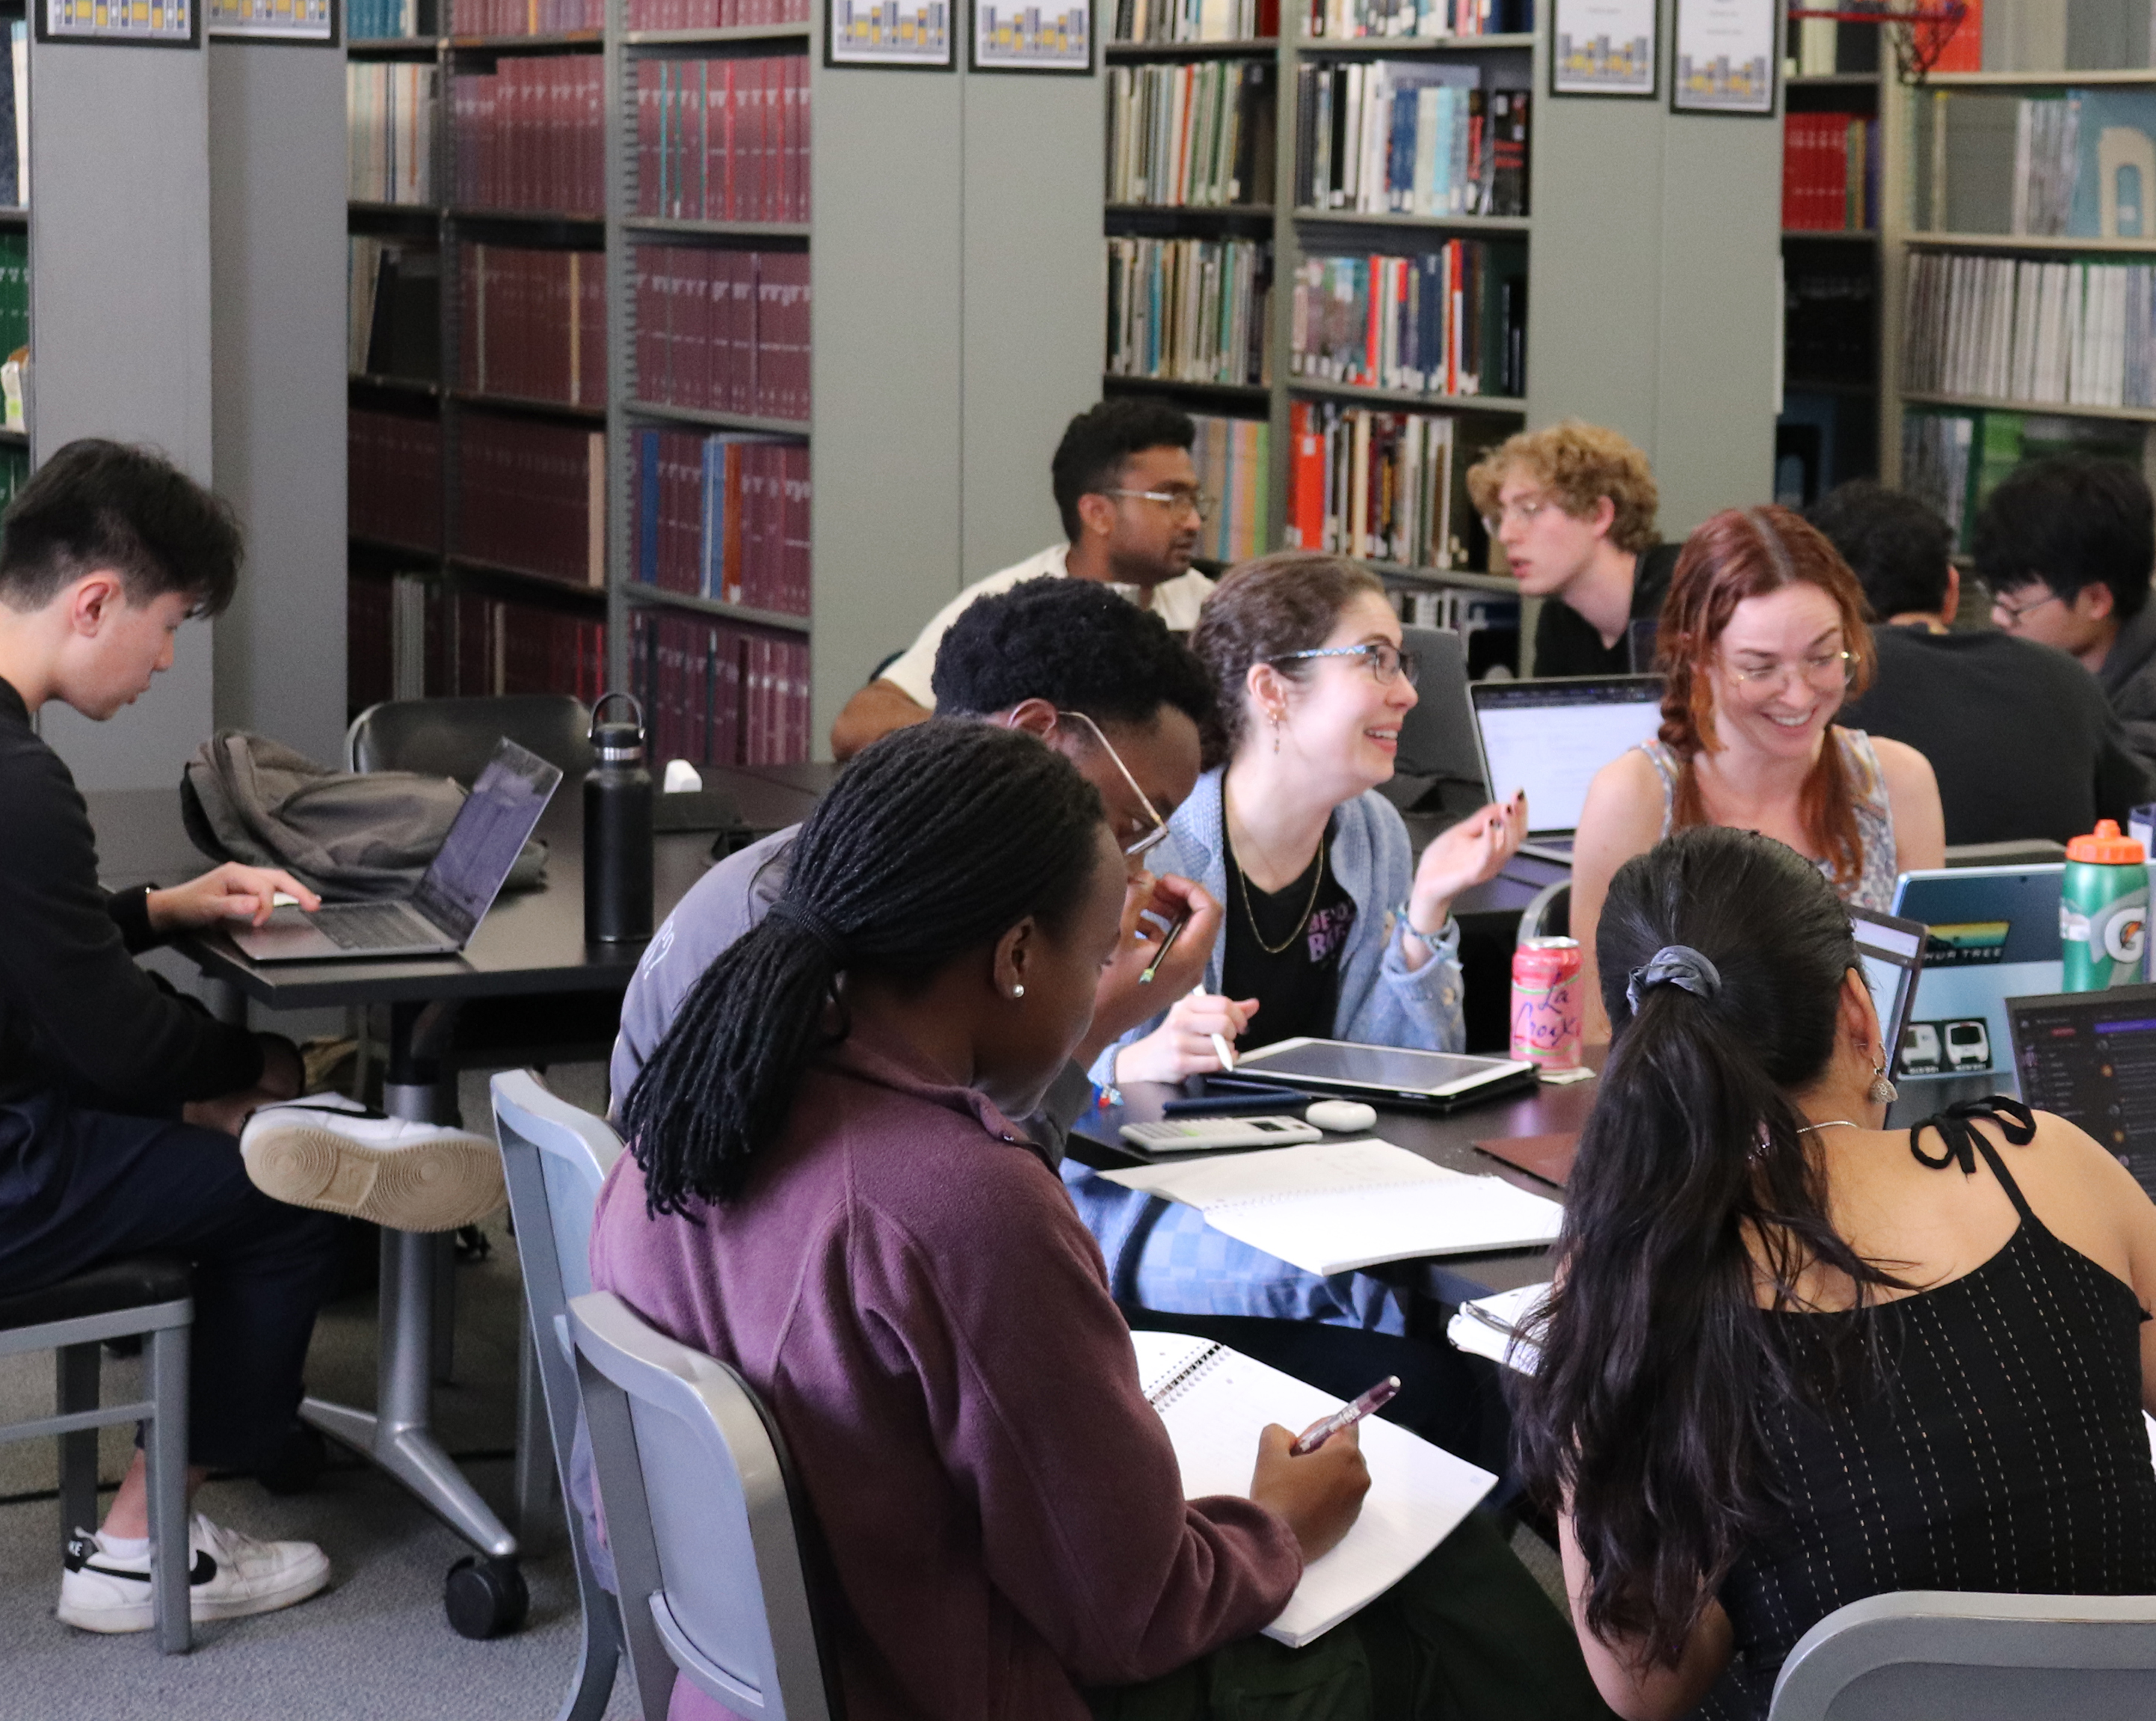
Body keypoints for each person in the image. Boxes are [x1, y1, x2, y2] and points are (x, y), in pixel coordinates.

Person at [596, 722, 1604, 1721]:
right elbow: (1128, 1612)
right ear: (1017, 957)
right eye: (1098, 960)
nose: (1099, 1002)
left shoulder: (687, 1109)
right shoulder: (964, 1200)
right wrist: (1276, 1525)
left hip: (761, 1680)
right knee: (1445, 1579)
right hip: (954, 1685)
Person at [0, 438, 502, 1635]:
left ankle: (300, 1154)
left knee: (245, 1117)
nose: (164, 661)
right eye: (171, 624)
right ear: (95, 601)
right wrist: (236, 1075)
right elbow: (117, 1046)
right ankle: (141, 1552)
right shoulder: (2, 770)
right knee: (281, 1194)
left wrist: (160, 909)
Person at [1516, 828, 2156, 1720]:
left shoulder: (1640, 1277)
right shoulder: (2046, 1164)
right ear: (1859, 1011)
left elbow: (1645, 1686)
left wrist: (1599, 1353)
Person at [1078, 553, 1527, 1323]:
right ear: (1271, 689)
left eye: (1404, 662)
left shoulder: (1372, 831)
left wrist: (1426, 908)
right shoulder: (1154, 843)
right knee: (1400, 1308)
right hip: (1145, 1204)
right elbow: (1031, 1081)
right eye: (1374, 660)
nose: (1410, 691)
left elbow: (1385, 1079)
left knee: (1482, 1296)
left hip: (1312, 1189)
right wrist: (1126, 1061)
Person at [615, 573, 1228, 1116]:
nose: (1137, 866)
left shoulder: (876, 873)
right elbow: (962, 1203)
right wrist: (1091, 1023)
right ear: (1040, 736)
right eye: (1136, 823)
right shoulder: (833, 927)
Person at [1569, 507, 1945, 941]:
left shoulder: (1897, 785)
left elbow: (1926, 1000)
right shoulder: (1635, 798)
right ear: (1698, 657)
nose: (1799, 695)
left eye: (1822, 659)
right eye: (1760, 668)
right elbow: (1594, 1007)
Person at [829, 396, 1215, 756]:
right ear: (1098, 513)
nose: (1194, 522)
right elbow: (857, 726)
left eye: (1194, 500)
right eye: (1172, 499)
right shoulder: (1008, 606)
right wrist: (1016, 739)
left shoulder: (1210, 606)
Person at [1805, 478, 2151, 845]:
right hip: (2051, 902)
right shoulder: (2070, 681)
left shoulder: (1828, 689)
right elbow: (2136, 826)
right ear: (1953, 589)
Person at [1968, 450, 2156, 804]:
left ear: (2097, 601)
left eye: (2016, 609)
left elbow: (2130, 816)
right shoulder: (2053, 658)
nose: (1998, 620)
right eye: (1995, 600)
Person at [1470, 421, 1675, 679]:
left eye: (1530, 510)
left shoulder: (1685, 596)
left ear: (1598, 515)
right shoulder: (1559, 621)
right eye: (1500, 518)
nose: (1505, 535)